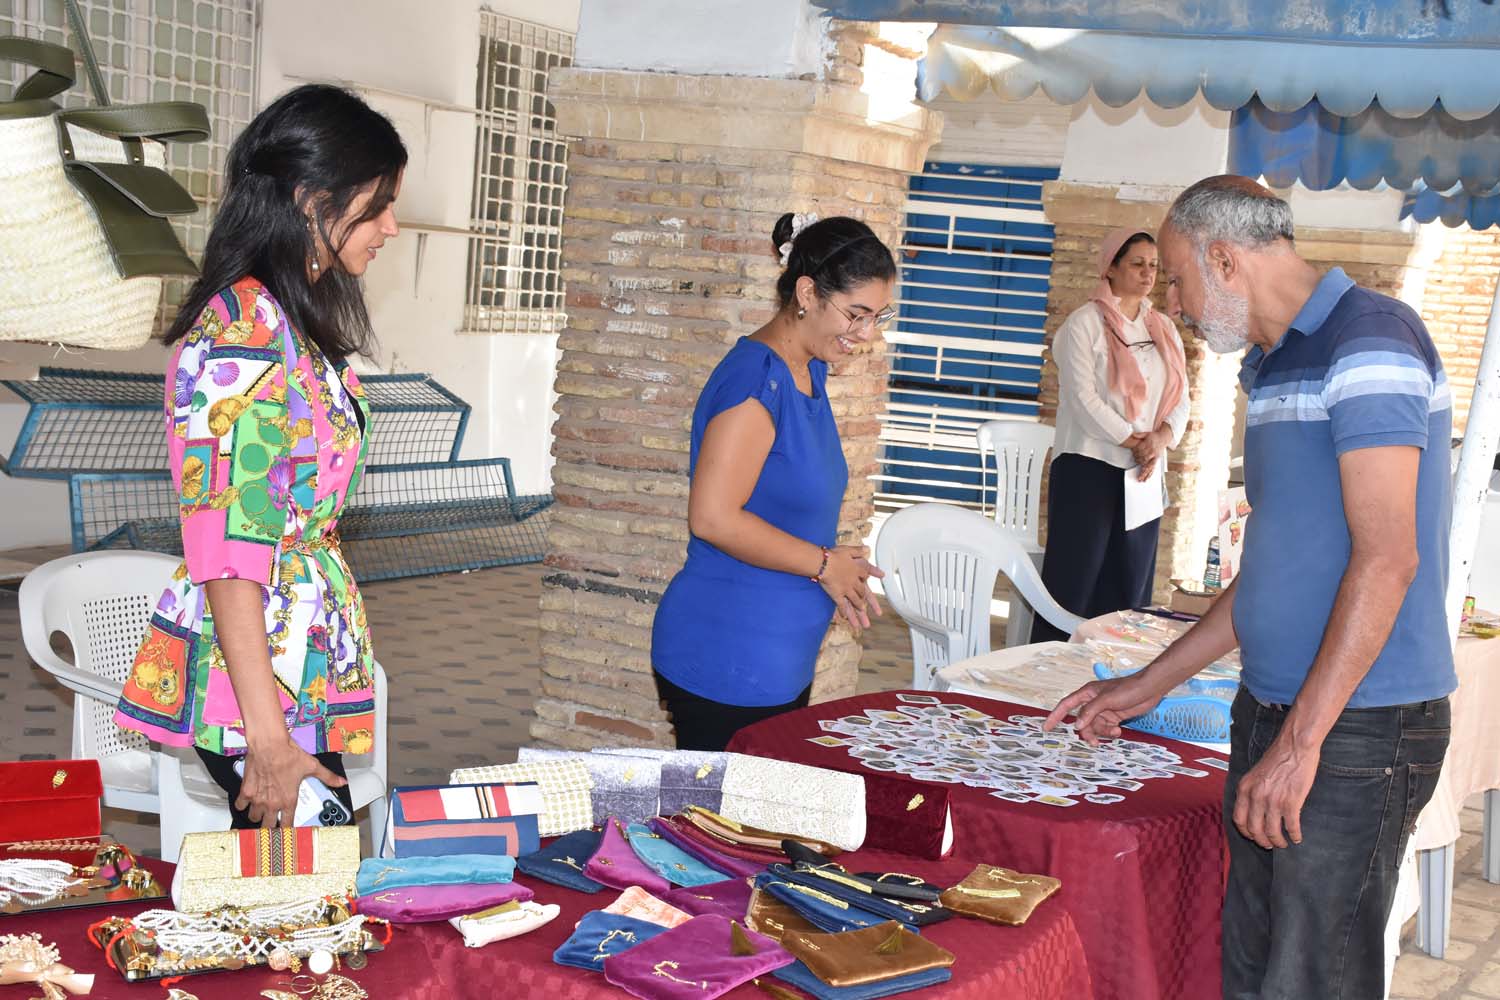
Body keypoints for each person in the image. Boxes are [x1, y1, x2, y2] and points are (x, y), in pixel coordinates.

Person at [1045, 176, 1454, 999]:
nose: (1176, 303)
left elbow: (1388, 559)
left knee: (1312, 978)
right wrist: (1145, 684)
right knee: (1251, 969)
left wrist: (1300, 744)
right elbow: (1272, 568)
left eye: (1178, 278)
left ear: (1225, 262)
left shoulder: (1370, 339)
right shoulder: (1270, 367)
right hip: (1273, 707)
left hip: (1355, 726)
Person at [115, 84, 406, 830]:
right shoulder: (243, 333)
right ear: (311, 200)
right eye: (377, 205)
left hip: (297, 653)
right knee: (292, 879)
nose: (391, 226)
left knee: (298, 876)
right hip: (258, 680)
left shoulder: (286, 319)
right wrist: (268, 740)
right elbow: (228, 545)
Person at [650, 213, 894, 750]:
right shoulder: (757, 382)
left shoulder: (808, 370)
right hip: (727, 654)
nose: (866, 334)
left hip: (774, 656)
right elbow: (713, 518)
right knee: (719, 807)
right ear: (807, 293)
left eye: (878, 317)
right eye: (856, 315)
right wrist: (824, 564)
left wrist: (832, 560)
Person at [1031, 228, 1188, 642]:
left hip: (1143, 473)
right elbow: (1083, 399)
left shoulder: (1163, 329)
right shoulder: (1083, 325)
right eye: (1137, 264)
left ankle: (1115, 672)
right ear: (1111, 268)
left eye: (1153, 265)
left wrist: (1159, 440)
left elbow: (1181, 399)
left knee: (1129, 585)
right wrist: (1136, 442)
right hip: (1089, 467)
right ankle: (1047, 666)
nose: (1148, 273)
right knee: (1073, 582)